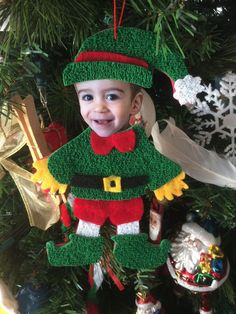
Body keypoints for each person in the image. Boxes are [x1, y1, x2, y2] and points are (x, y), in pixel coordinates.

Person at [32, 27, 188, 270]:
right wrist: (53, 172)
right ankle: (81, 246)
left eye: (112, 97)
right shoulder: (83, 142)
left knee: (129, 221)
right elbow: (65, 159)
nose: (99, 108)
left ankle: (133, 249)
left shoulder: (137, 145)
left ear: (135, 104)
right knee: (88, 220)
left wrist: (167, 178)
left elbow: (154, 162)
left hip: (127, 198)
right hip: (90, 197)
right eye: (87, 97)